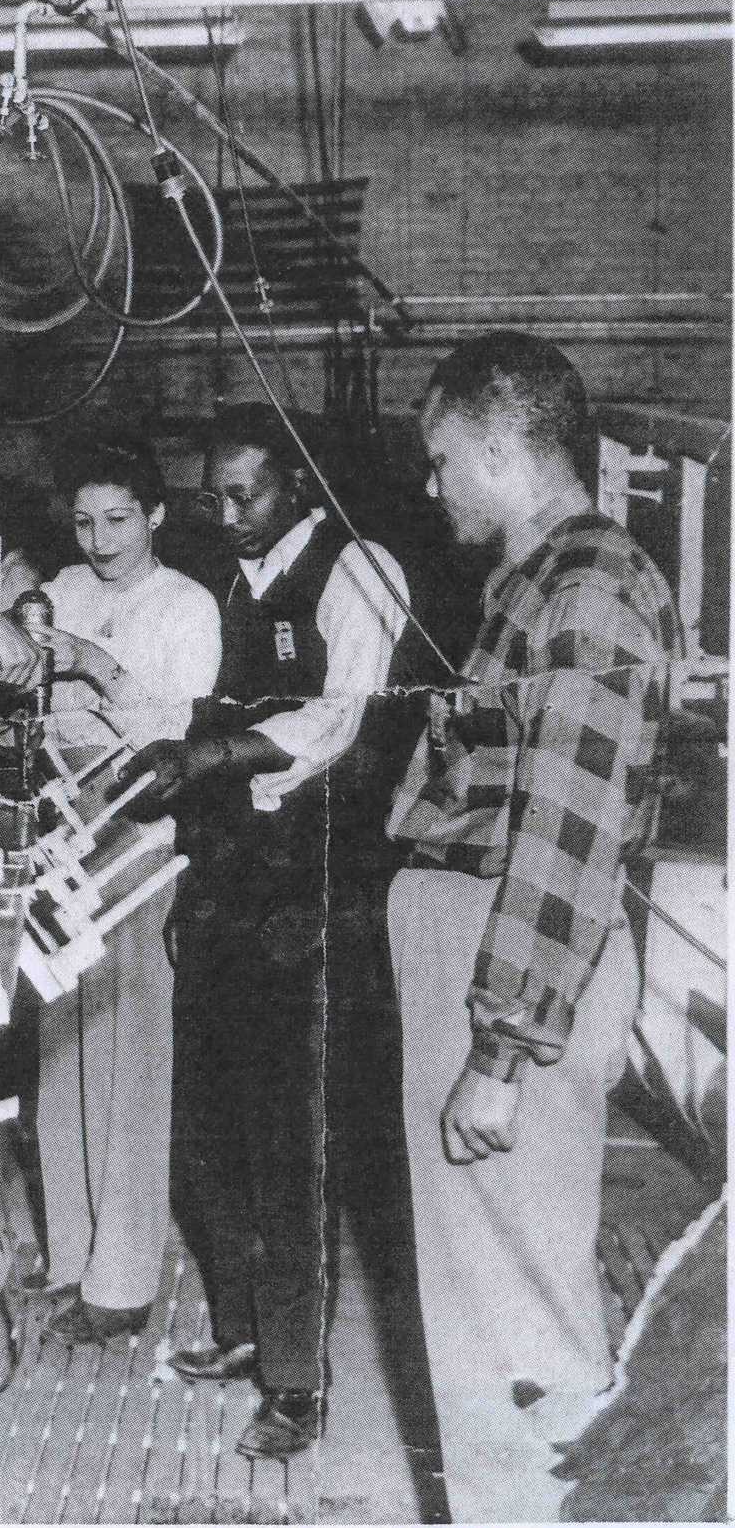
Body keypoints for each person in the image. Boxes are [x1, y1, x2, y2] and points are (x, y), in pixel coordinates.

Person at [385, 333, 679, 1522]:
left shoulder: (590, 595)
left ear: (500, 447)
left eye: (441, 456)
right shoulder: (541, 584)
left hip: (505, 975)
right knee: (481, 1313)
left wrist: (500, 1054)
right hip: (482, 953)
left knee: (513, 1320)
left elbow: (564, 840)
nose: (430, 482)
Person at [121, 404, 411, 1460]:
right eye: (214, 497)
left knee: (293, 1143)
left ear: (296, 483)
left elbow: (339, 720)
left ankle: (299, 1383)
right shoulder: (236, 581)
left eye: (245, 494)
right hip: (232, 884)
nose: (227, 514)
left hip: (316, 891)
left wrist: (208, 757)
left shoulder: (357, 570)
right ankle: (242, 1329)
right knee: (207, 1122)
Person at [23, 435, 220, 1346]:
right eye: (84, 521)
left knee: (132, 1059)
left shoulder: (184, 606)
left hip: (140, 832)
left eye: (118, 520)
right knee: (62, 1046)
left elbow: (174, 737)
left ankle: (124, 1276)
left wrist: (91, 663)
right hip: (60, 825)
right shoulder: (60, 589)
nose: (99, 540)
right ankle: (70, 1255)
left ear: (157, 517)